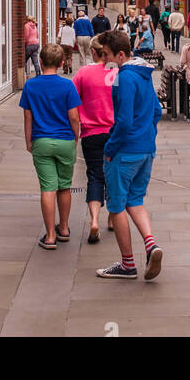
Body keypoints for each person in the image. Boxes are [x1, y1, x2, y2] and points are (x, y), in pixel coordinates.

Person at [97, 29, 163, 280]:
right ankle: (151, 246)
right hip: (146, 150)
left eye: (106, 55)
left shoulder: (124, 77)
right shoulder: (144, 75)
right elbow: (156, 111)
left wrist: (110, 148)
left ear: (121, 54)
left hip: (124, 152)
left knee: (116, 206)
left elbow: (123, 121)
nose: (104, 60)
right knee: (135, 201)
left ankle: (127, 265)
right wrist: (147, 137)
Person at [19, 41, 81, 250]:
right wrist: (76, 136)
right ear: (62, 62)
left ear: (41, 61)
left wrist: (28, 140)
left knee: (48, 188)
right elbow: (74, 116)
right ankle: (64, 228)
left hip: (41, 140)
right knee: (64, 186)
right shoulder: (67, 86)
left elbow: (28, 118)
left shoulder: (30, 86)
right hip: (65, 140)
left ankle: (51, 236)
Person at [72, 34, 115, 243]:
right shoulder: (115, 73)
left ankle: (95, 220)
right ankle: (114, 219)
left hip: (91, 133)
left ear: (93, 52)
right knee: (114, 177)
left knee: (95, 176)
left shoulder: (83, 73)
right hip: (114, 133)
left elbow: (71, 102)